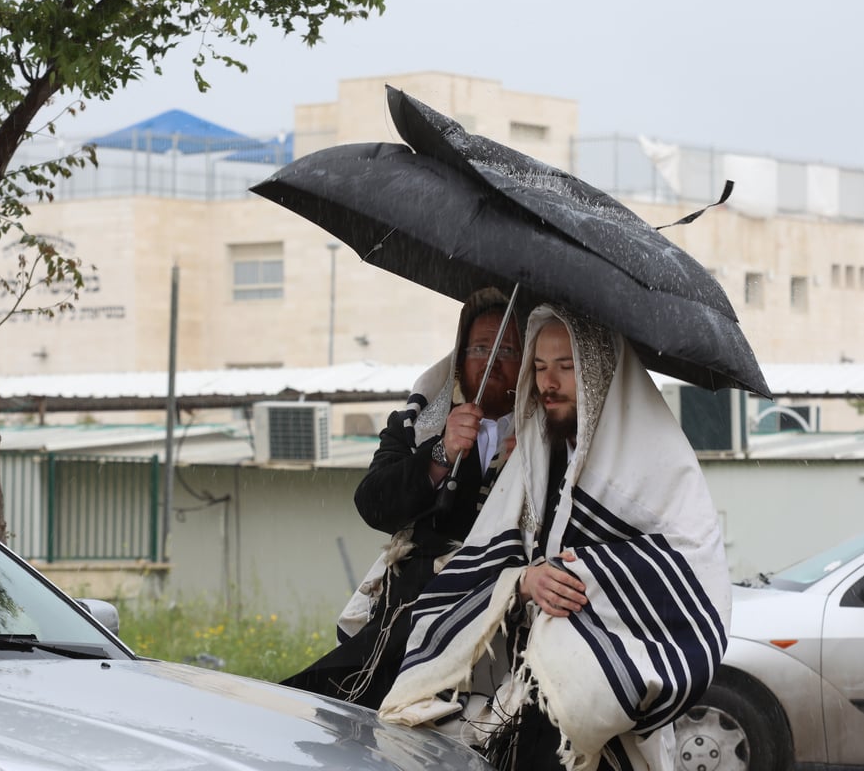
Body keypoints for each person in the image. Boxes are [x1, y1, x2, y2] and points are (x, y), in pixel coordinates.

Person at [378, 304, 732, 771]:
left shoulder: (659, 462)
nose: (548, 383)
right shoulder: (534, 456)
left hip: (605, 716)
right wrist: (524, 582)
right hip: (527, 699)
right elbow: (487, 561)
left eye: (566, 367)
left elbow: (693, 575)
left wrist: (577, 574)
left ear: (600, 371)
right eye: (540, 367)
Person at [282, 287, 523, 709]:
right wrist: (441, 453)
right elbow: (374, 504)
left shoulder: (549, 437)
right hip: (406, 621)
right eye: (479, 347)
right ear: (459, 357)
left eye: (507, 348)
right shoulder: (420, 423)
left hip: (499, 630)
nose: (491, 360)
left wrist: (532, 466)